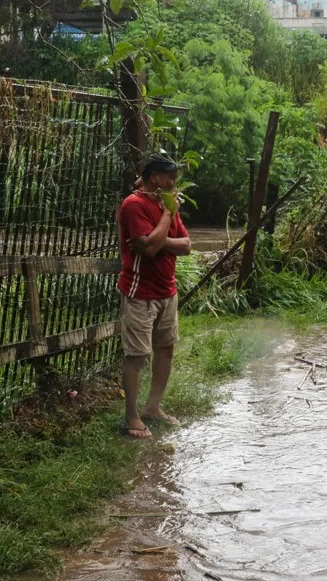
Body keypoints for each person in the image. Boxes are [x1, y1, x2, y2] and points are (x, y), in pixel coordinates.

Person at [117, 153, 192, 440]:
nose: (173, 183)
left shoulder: (165, 204)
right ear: (154, 178)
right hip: (140, 292)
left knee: (166, 348)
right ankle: (131, 417)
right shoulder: (133, 205)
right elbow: (146, 249)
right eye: (169, 177)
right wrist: (168, 215)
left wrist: (159, 240)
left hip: (166, 290)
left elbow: (186, 245)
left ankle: (152, 408)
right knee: (137, 355)